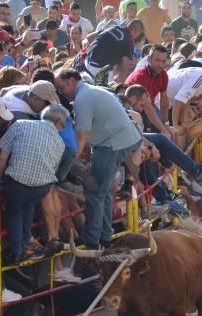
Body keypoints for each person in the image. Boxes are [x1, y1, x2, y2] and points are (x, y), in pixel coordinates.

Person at [54, 68, 143, 249]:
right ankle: (105, 236)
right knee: (103, 191)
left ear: (71, 81)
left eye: (62, 88)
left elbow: (81, 138)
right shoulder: (93, 91)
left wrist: (69, 164)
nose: (61, 92)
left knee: (95, 193)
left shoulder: (82, 99)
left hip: (111, 145)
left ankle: (92, 241)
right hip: (122, 141)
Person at [0, 104, 69, 264]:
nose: (63, 128)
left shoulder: (21, 124)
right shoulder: (60, 142)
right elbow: (52, 168)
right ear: (58, 121)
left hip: (16, 183)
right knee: (28, 208)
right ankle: (24, 246)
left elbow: (2, 157)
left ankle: (17, 251)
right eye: (63, 125)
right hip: (40, 187)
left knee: (15, 213)